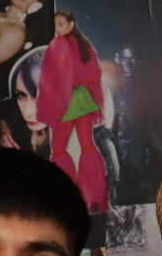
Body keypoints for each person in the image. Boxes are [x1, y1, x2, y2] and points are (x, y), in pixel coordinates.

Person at [37, 12, 108, 209]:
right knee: (88, 146)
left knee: (58, 149)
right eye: (55, 26)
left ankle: (64, 195)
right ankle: (95, 195)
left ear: (71, 24)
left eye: (60, 24)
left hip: (66, 100)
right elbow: (93, 73)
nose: (57, 29)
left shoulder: (59, 44)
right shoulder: (84, 44)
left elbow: (54, 76)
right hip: (83, 97)